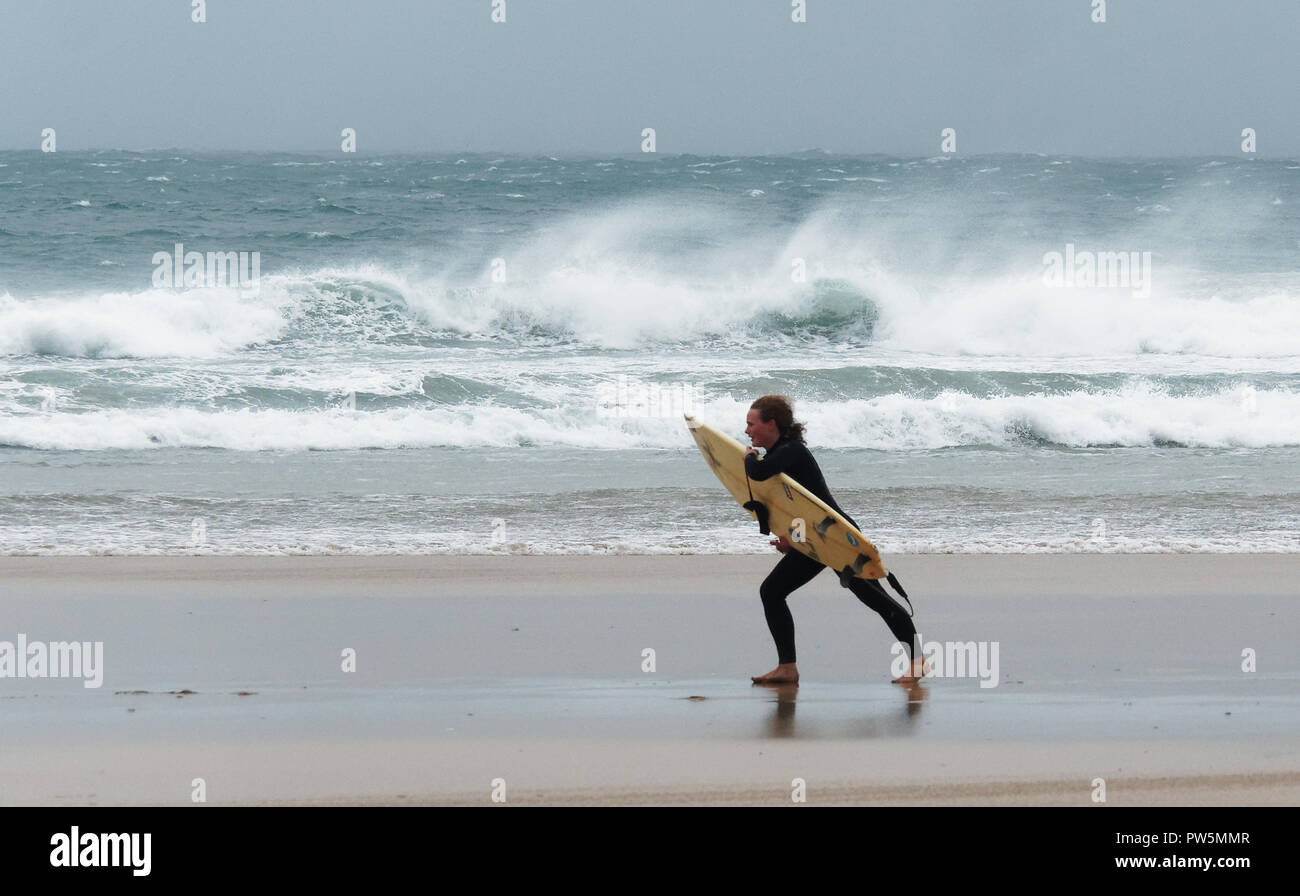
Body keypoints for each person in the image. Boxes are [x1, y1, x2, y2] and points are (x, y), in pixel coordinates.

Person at [743, 395, 926, 685]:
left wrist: (749, 458)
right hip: (815, 538)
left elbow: (759, 473)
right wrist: (794, 540)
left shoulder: (792, 451)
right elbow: (797, 507)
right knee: (772, 591)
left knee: (875, 598)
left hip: (839, 538)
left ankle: (918, 660)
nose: (747, 431)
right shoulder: (782, 455)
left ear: (771, 424)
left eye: (751, 424)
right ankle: (787, 668)